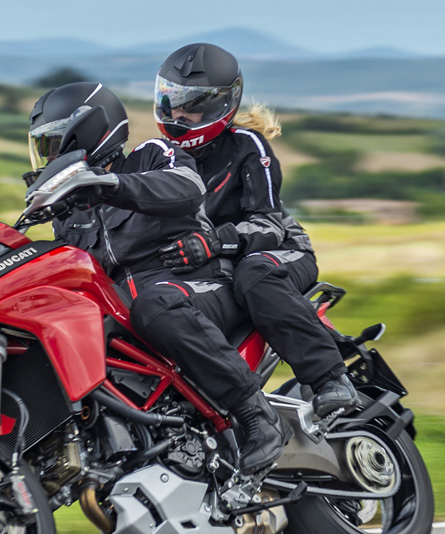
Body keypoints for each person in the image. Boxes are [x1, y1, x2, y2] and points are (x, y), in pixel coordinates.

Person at [28, 82, 291, 474]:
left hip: (199, 285)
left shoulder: (152, 155)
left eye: (51, 146)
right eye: (41, 148)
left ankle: (255, 414)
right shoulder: (71, 213)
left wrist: (109, 185)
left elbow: (187, 188)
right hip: (138, 310)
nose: (47, 157)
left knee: (155, 304)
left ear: (83, 135)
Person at [153, 43, 360, 422]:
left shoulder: (246, 146)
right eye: (171, 102)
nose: (178, 114)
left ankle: (331, 379)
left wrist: (213, 242)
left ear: (221, 105)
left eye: (191, 105)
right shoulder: (162, 157)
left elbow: (267, 223)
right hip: (221, 261)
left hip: (282, 251)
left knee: (255, 273)